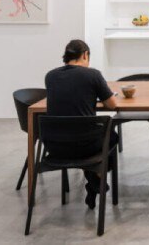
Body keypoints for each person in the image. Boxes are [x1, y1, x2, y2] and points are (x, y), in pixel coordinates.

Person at [44, 39, 118, 209]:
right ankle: (95, 181)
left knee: (82, 133)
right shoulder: (92, 75)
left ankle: (94, 183)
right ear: (85, 54)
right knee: (112, 137)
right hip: (85, 146)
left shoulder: (50, 76)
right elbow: (112, 105)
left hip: (55, 146)